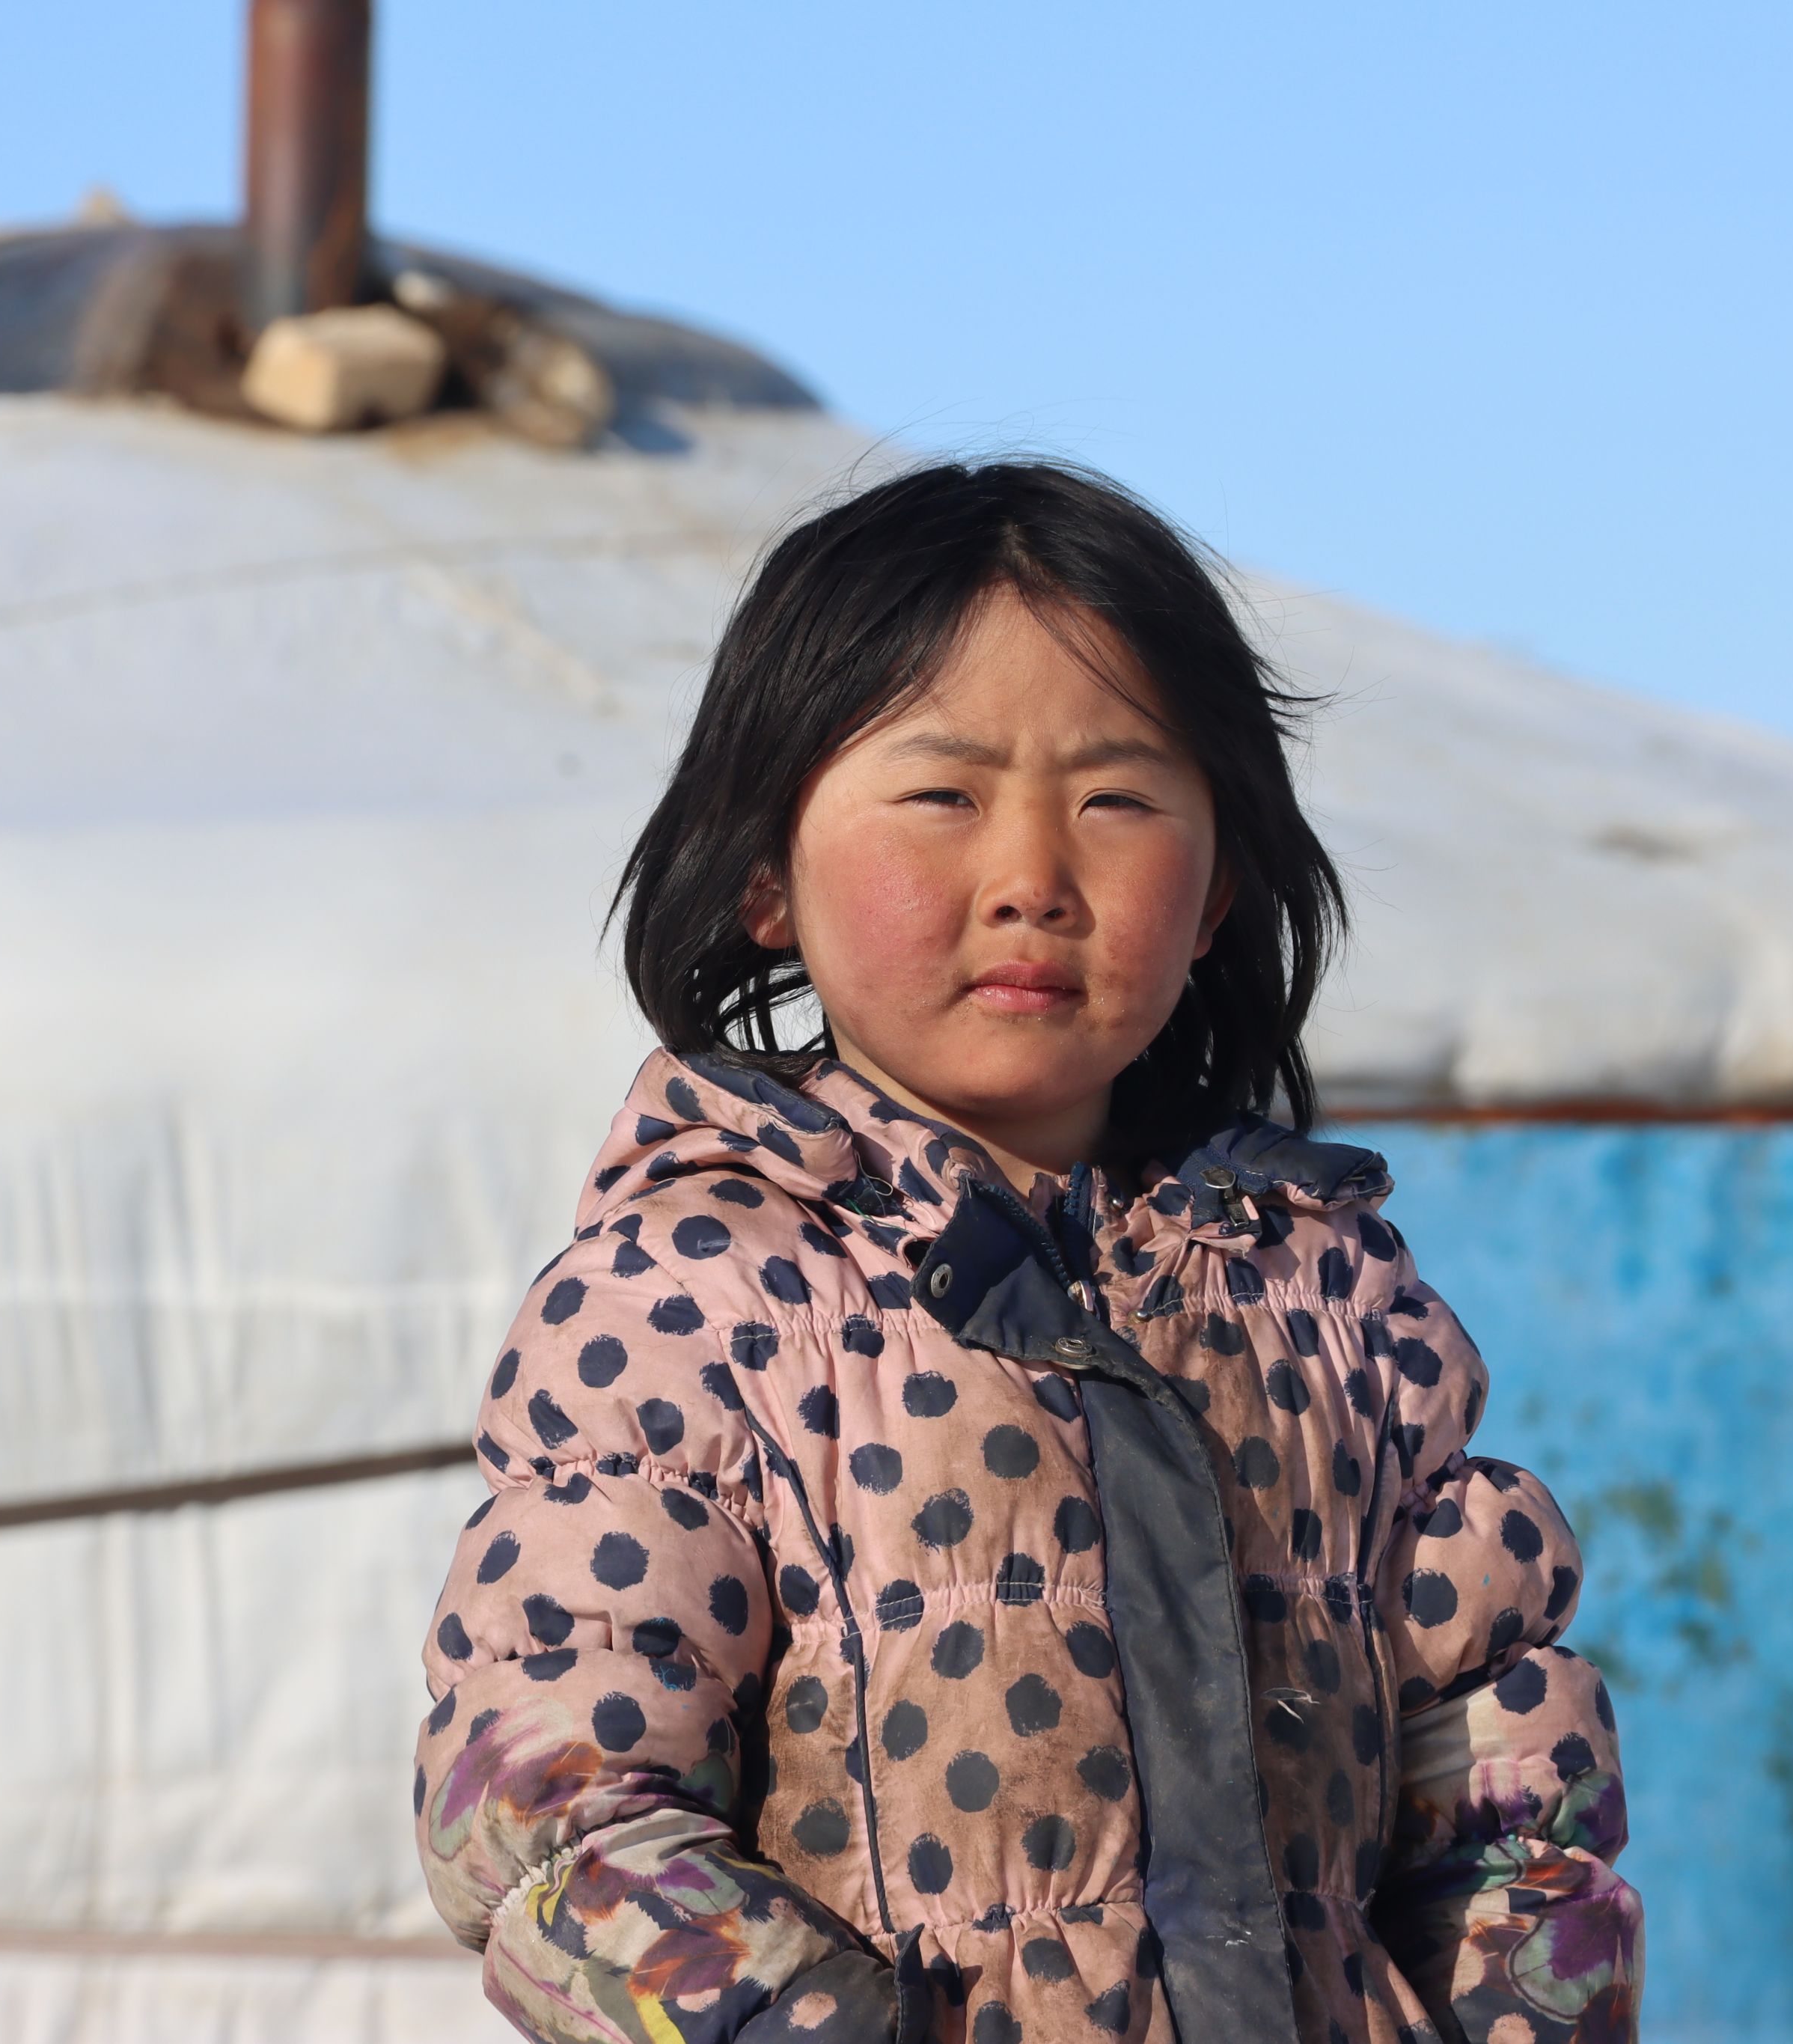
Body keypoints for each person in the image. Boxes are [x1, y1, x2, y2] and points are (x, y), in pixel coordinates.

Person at [414, 461, 1640, 2043]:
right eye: (941, 795)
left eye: (1118, 799)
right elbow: (557, 1812)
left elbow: (1502, 1791)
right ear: (763, 874)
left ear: (1216, 897)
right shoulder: (699, 1299)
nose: (1032, 880)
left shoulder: (1331, 1302)